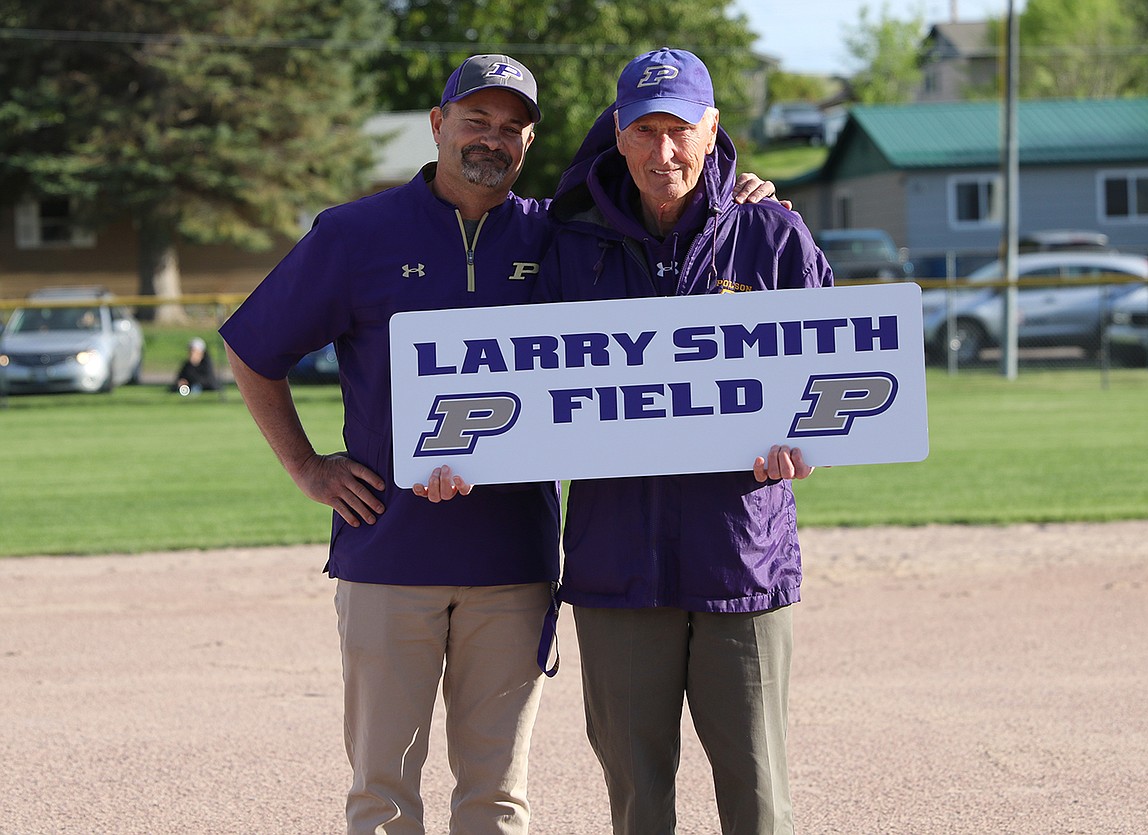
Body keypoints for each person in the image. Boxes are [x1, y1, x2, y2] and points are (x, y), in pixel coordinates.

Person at [219, 52, 776, 835]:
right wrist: (305, 466)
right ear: (439, 125)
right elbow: (252, 346)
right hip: (389, 551)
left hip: (513, 562)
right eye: (476, 120)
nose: (493, 138)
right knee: (382, 795)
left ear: (529, 142)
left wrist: (739, 197)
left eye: (512, 127)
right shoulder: (356, 233)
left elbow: (664, 247)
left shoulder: (560, 235)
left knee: (497, 797)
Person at [531, 48, 834, 835]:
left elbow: (835, 385)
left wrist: (804, 440)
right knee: (637, 799)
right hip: (617, 564)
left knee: (758, 793)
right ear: (620, 134)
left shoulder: (772, 236)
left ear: (711, 128)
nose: (663, 152)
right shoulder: (568, 243)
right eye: (645, 131)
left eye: (679, 130)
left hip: (742, 554)